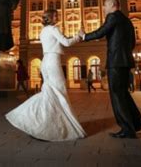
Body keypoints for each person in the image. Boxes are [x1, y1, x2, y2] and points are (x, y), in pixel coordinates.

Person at [6, 9, 86, 141]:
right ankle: (48, 123)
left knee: (49, 92)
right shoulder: (54, 29)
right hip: (53, 61)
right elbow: (66, 43)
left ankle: (41, 122)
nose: (58, 17)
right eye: (56, 15)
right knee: (60, 92)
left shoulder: (43, 31)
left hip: (46, 62)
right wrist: (79, 36)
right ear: (51, 17)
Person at [80, 0, 141, 139]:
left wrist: (84, 36)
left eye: (104, 5)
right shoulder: (127, 20)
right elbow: (132, 42)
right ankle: (137, 122)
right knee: (123, 93)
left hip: (116, 62)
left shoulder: (113, 17)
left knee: (117, 95)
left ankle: (127, 129)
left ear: (112, 4)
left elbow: (101, 31)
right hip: (125, 61)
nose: (103, 8)